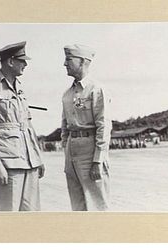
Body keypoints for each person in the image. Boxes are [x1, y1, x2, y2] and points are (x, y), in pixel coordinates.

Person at [0, 41, 45, 211]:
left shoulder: (20, 88)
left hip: (30, 161)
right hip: (8, 163)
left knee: (32, 216)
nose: (25, 64)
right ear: (10, 61)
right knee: (9, 216)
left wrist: (38, 158)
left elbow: (28, 126)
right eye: (22, 60)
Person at [61, 44, 112, 211]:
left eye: (69, 59)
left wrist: (98, 160)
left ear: (82, 61)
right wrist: (66, 151)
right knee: (77, 205)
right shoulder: (67, 94)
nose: (64, 63)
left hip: (90, 153)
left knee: (97, 205)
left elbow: (103, 126)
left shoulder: (96, 90)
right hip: (72, 153)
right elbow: (65, 127)